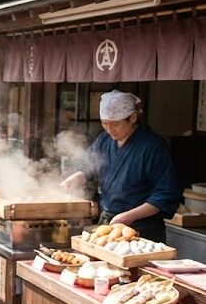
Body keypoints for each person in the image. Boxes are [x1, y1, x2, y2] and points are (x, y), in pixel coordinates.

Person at [61, 90, 181, 243]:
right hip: (108, 223)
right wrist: (78, 176)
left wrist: (129, 216)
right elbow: (88, 164)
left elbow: (165, 194)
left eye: (115, 124)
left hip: (142, 227)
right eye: (105, 123)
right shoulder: (104, 140)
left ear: (133, 118)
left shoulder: (152, 146)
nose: (110, 130)